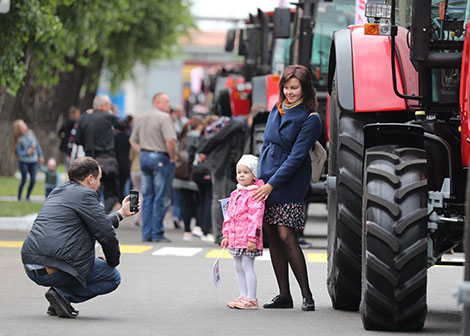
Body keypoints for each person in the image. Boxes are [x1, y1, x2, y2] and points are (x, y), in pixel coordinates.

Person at [21, 157, 138, 318]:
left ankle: (59, 298)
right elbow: (106, 234)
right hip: (53, 266)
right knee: (112, 277)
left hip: (31, 265)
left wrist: (122, 213)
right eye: (99, 179)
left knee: (89, 264)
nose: (99, 184)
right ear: (90, 178)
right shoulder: (87, 195)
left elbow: (98, 223)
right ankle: (63, 295)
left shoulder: (59, 191)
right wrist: (112, 262)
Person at [253, 65, 321, 311]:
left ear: (305, 88)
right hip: (266, 178)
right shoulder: (277, 108)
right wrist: (259, 180)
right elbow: (267, 145)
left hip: (289, 181)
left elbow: (296, 156)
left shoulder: (311, 118)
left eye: (295, 87)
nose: (290, 92)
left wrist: (272, 184)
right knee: (272, 234)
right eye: (286, 87)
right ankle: (284, 295)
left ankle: (307, 294)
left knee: (285, 234)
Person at [129, 92, 176, 242]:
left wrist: (142, 151)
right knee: (161, 197)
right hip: (160, 157)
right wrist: (172, 156)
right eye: (166, 102)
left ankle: (146, 233)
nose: (169, 105)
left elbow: (132, 140)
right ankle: (157, 233)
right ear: (157, 102)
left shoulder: (142, 117)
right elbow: (170, 140)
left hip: (145, 158)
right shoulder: (164, 118)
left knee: (147, 197)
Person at [221, 154, 265, 310]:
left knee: (247, 266)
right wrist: (226, 235)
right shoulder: (235, 194)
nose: (241, 175)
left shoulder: (255, 194)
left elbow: (256, 218)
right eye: (239, 172)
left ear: (254, 175)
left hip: (248, 239)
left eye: (246, 172)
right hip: (235, 238)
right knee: (238, 267)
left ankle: (252, 298)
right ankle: (243, 295)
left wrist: (252, 238)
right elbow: (229, 216)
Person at [75, 94, 129, 213]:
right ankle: (104, 214)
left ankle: (94, 214)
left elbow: (77, 140)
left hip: (89, 160)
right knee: (112, 191)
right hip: (107, 160)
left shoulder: (84, 117)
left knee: (91, 191)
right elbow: (123, 126)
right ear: (104, 106)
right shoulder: (108, 117)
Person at [12, 119, 45, 201]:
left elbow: (37, 145)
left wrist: (41, 155)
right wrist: (27, 152)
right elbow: (19, 152)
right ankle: (19, 197)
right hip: (23, 162)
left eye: (24, 124)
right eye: (21, 125)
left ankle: (27, 196)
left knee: (33, 179)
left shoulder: (31, 133)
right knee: (24, 179)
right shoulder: (19, 139)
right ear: (18, 129)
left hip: (33, 161)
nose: (24, 126)